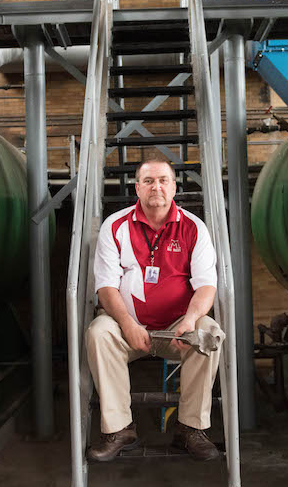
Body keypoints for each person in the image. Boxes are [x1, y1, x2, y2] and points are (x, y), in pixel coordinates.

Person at [85, 156, 224, 462]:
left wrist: (189, 321)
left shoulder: (193, 228)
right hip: (128, 327)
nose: (156, 187)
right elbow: (106, 286)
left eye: (163, 180)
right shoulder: (115, 226)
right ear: (137, 188)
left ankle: (190, 428)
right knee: (98, 332)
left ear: (174, 187)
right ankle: (119, 429)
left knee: (210, 333)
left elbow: (206, 286)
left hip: (177, 328)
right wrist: (128, 324)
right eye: (148, 181)